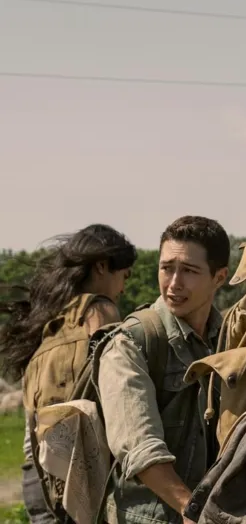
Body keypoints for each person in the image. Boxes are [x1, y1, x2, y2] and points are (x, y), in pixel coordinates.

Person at [95, 216, 230, 523]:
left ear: (219, 277)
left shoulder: (229, 341)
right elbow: (140, 446)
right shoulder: (131, 342)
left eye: (189, 271)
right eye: (167, 268)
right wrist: (191, 509)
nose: (174, 283)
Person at [0, 225, 136, 524]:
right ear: (102, 266)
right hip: (74, 473)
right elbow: (117, 384)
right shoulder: (98, 310)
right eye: (124, 276)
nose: (123, 288)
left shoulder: (48, 320)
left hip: (37, 475)